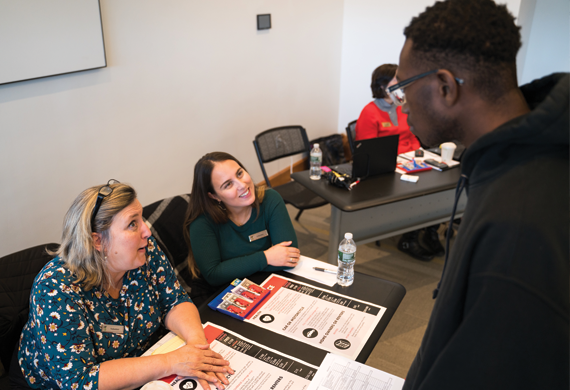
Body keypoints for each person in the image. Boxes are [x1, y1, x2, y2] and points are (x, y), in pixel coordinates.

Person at [386, 1, 569, 389]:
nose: (401, 106)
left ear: (445, 87)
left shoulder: (517, 229)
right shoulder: (521, 161)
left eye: (403, 88)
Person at [11, 181, 233, 390]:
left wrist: (197, 347)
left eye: (141, 218)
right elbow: (81, 381)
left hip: (143, 361)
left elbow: (174, 301)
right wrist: (171, 362)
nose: (146, 231)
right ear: (97, 241)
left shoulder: (144, 249)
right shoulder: (55, 289)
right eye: (132, 224)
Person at [184, 152, 300, 306]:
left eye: (239, 173)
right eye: (228, 184)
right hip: (220, 293)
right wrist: (266, 257)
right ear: (214, 196)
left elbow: (289, 257)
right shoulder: (202, 222)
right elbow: (214, 275)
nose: (242, 185)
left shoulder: (270, 199)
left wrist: (233, 268)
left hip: (265, 283)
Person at [356, 64, 443, 261]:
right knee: (421, 190)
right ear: (384, 85)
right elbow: (370, 152)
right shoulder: (369, 113)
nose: (402, 82)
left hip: (410, 161)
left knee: (436, 184)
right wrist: (401, 161)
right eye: (397, 79)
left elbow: (412, 137)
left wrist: (417, 155)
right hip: (387, 168)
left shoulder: (403, 107)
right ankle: (408, 238)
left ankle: (431, 230)